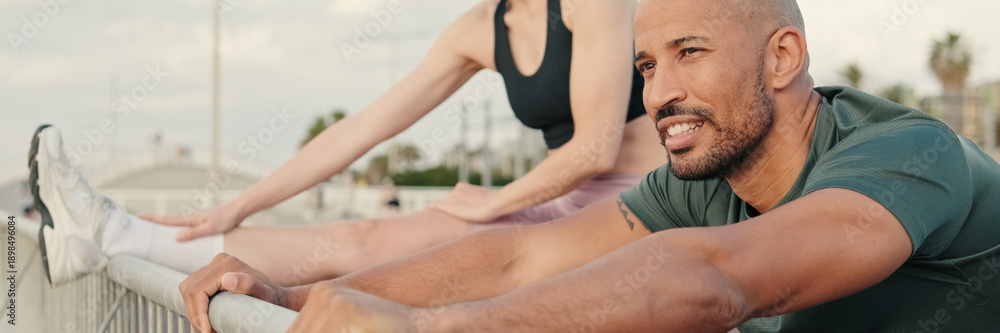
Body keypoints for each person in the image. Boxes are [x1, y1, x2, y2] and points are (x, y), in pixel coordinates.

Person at [174, 0, 1000, 331]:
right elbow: (520, 254)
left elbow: (717, 277)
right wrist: (302, 300)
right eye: (646, 67)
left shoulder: (905, 154)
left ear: (784, 57)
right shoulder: (702, 178)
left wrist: (427, 331)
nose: (661, 93)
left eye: (690, 53)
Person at [28, 0, 663, 287]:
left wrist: (493, 203)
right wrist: (240, 203)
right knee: (360, 241)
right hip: (551, 202)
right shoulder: (478, 28)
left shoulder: (589, 2)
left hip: (643, 201)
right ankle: (109, 235)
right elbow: (361, 129)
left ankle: (112, 234)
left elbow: (595, 148)